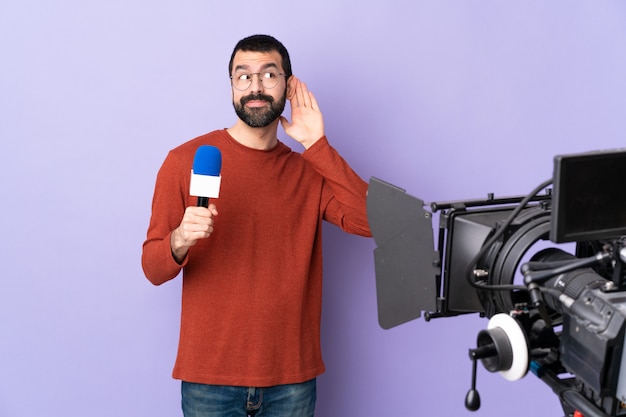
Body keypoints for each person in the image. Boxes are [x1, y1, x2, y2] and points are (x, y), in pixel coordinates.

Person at [141, 34, 371, 417]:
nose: (256, 87)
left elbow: (372, 222)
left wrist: (318, 146)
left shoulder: (308, 171)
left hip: (291, 380)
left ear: (288, 84)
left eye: (269, 74)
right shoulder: (185, 161)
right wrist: (179, 239)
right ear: (232, 86)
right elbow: (152, 267)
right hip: (208, 380)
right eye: (243, 76)